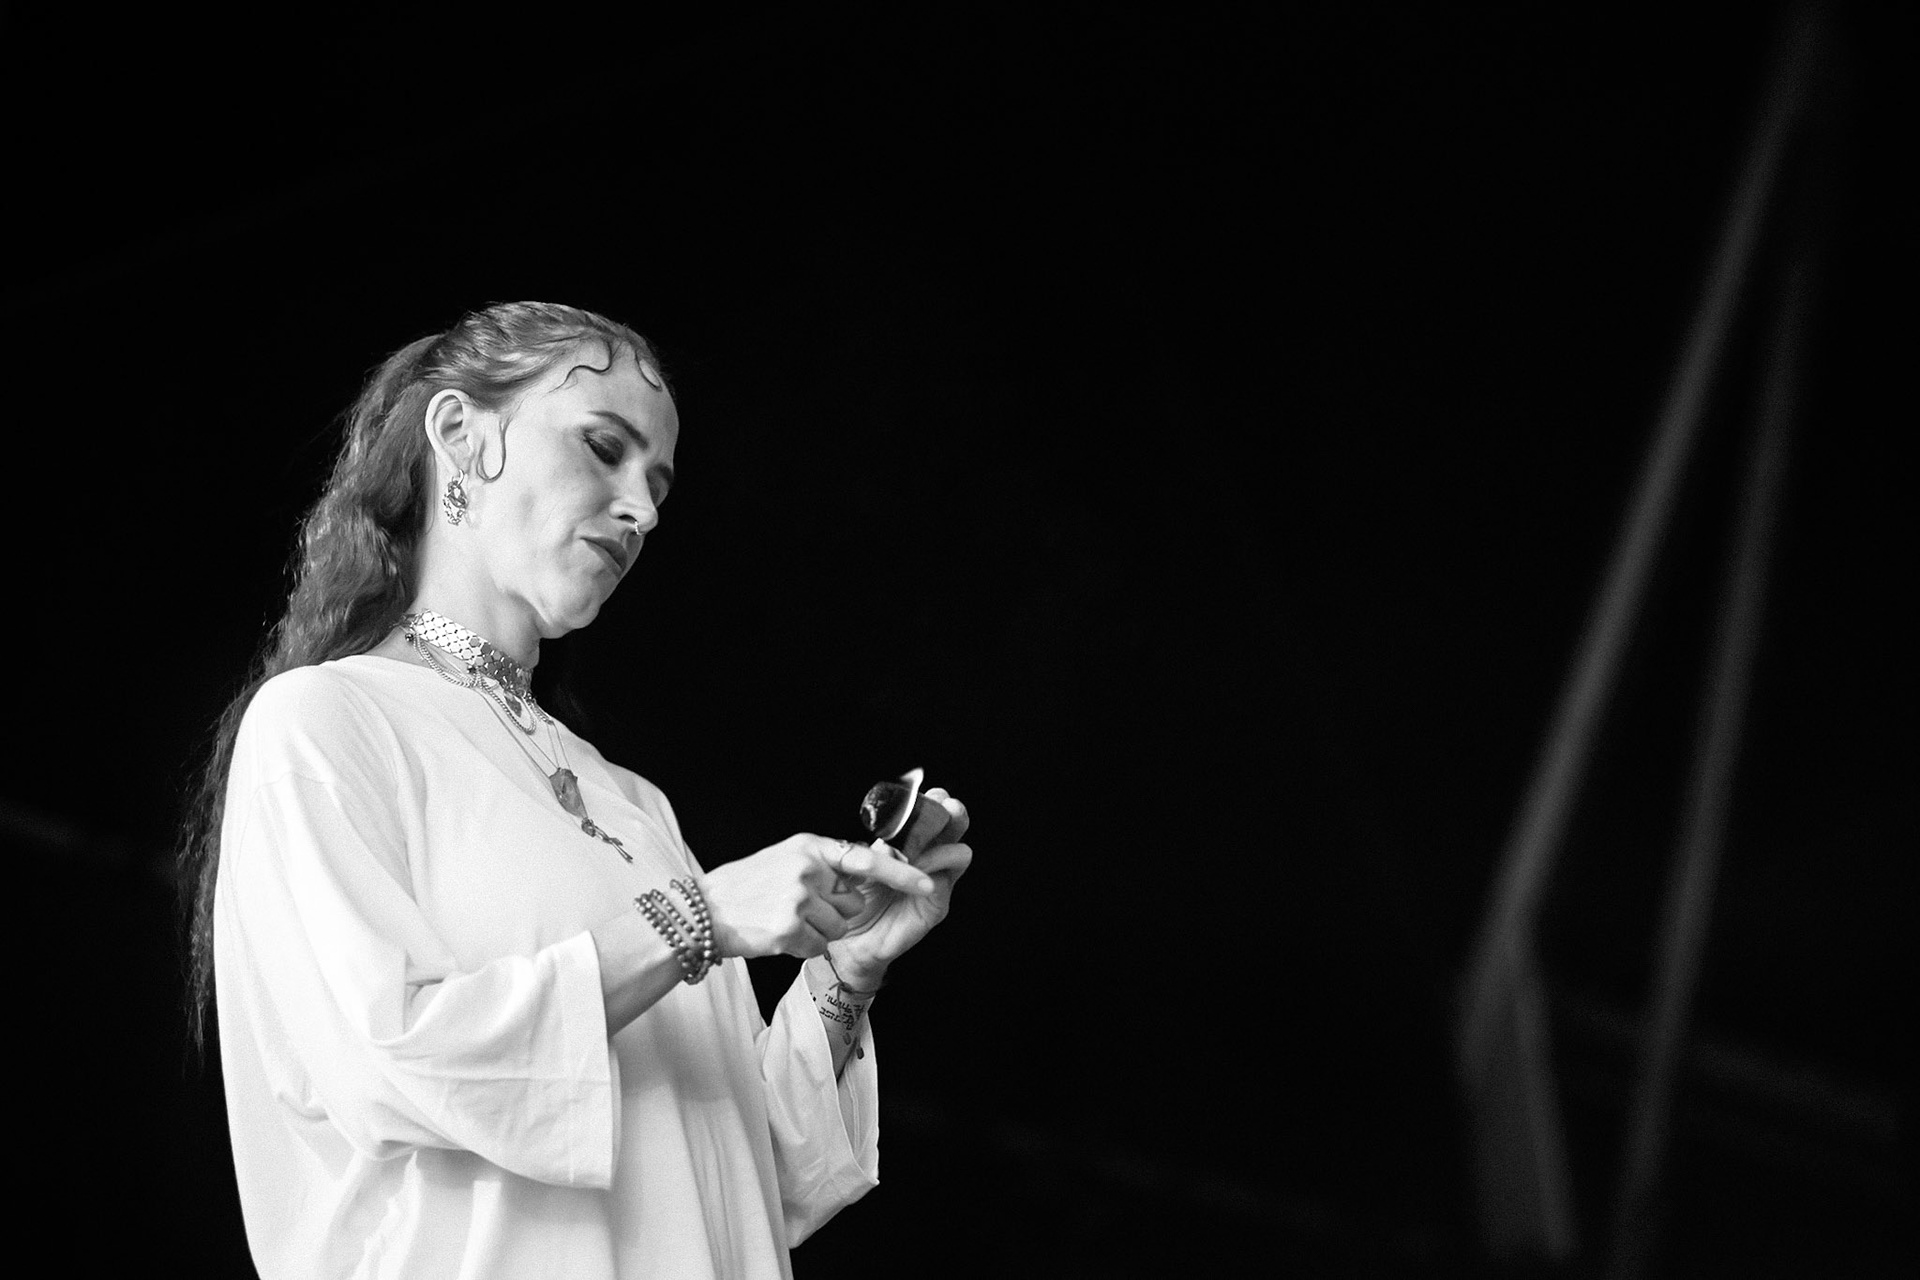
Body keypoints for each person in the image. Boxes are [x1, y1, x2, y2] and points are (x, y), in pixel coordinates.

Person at [176, 301, 973, 1279]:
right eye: (603, 448)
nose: (642, 510)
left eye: (658, 484)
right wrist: (698, 917)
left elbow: (745, 1179)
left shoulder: (633, 800)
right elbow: (389, 1059)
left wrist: (843, 976)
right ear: (462, 435)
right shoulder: (327, 722)